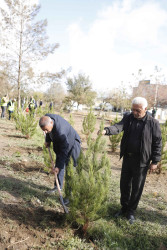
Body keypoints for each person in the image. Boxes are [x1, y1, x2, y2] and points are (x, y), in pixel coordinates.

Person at [99, 97, 162, 224]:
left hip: (142, 161)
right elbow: (118, 127)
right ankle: (124, 207)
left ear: (145, 109)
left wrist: (155, 161)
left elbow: (157, 143)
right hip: (128, 158)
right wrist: (106, 130)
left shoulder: (152, 123)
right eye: (133, 109)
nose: (134, 112)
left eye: (137, 110)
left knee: (137, 187)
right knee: (124, 184)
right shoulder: (128, 118)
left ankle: (131, 211)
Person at [39, 114, 81, 205]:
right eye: (43, 130)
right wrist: (48, 140)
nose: (45, 132)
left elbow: (63, 151)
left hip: (72, 144)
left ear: (51, 123)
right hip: (62, 144)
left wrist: (58, 166)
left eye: (46, 129)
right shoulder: (48, 118)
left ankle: (69, 196)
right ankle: (57, 187)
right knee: (59, 163)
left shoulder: (60, 132)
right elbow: (48, 132)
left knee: (69, 169)